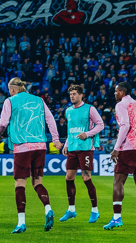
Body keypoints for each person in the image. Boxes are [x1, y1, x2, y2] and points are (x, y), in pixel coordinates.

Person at [0, 77, 61, 234]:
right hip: (40, 146)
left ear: (12, 89)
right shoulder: (39, 100)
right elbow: (50, 119)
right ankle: (48, 209)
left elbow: (3, 122)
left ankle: (21, 223)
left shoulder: (10, 101)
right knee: (37, 182)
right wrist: (56, 139)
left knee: (20, 184)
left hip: (22, 146)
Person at [105, 82, 136, 230]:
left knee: (118, 181)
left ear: (121, 92)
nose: (115, 94)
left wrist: (116, 148)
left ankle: (116, 218)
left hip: (129, 147)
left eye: (116, 91)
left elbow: (125, 125)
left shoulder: (120, 105)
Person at [60, 84, 104, 224]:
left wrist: (87, 134)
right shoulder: (68, 111)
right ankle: (71, 210)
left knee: (86, 178)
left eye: (74, 94)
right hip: (72, 148)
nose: (72, 96)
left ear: (81, 95)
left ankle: (95, 211)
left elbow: (100, 125)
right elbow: (70, 130)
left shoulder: (90, 109)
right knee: (69, 177)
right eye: (70, 94)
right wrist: (66, 145)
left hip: (85, 148)